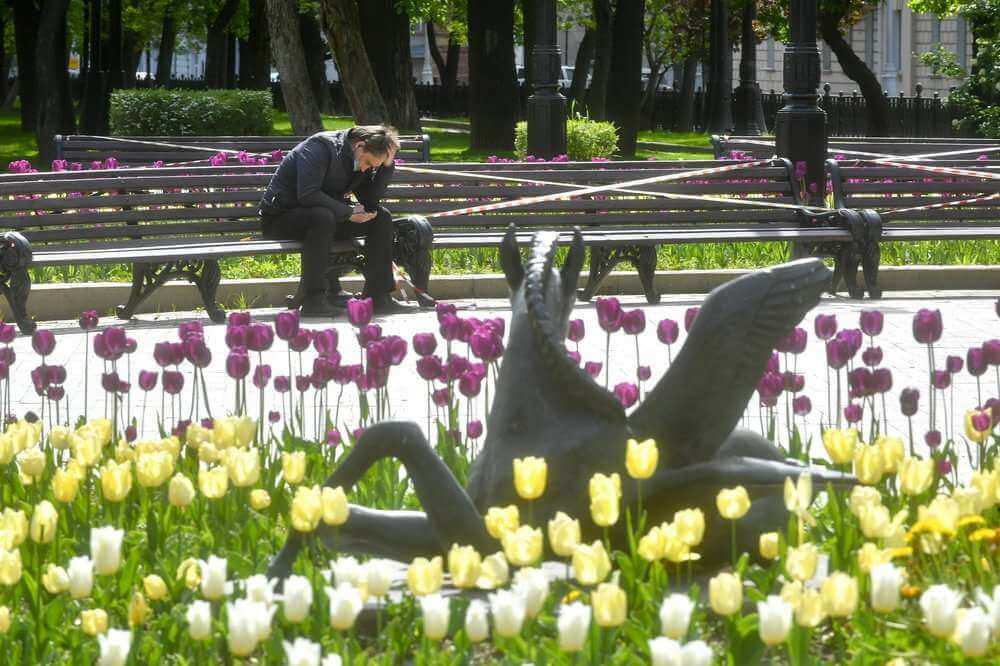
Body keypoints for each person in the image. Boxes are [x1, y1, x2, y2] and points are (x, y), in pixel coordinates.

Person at [258, 125, 417, 316]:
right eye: (367, 162)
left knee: (381, 217)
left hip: (327, 218)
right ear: (359, 146)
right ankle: (313, 301)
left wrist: (387, 165)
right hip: (281, 218)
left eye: (373, 166)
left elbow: (370, 200)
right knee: (322, 217)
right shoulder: (319, 147)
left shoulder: (358, 159)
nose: (367, 168)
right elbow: (308, 194)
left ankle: (378, 297)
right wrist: (348, 212)